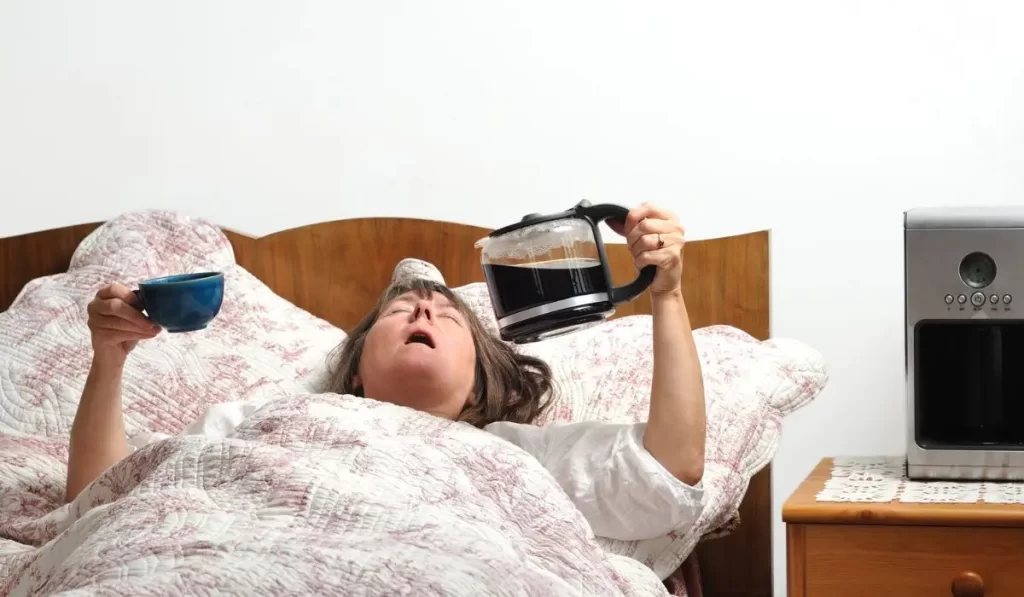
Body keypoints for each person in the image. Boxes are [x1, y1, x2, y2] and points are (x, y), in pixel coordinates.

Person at [65, 203, 706, 542]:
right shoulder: (259, 425)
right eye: (400, 311)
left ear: (479, 387)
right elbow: (97, 504)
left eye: (448, 317)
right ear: (356, 376)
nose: (425, 304)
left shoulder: (515, 457)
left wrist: (667, 294)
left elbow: (669, 468)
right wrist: (109, 358)